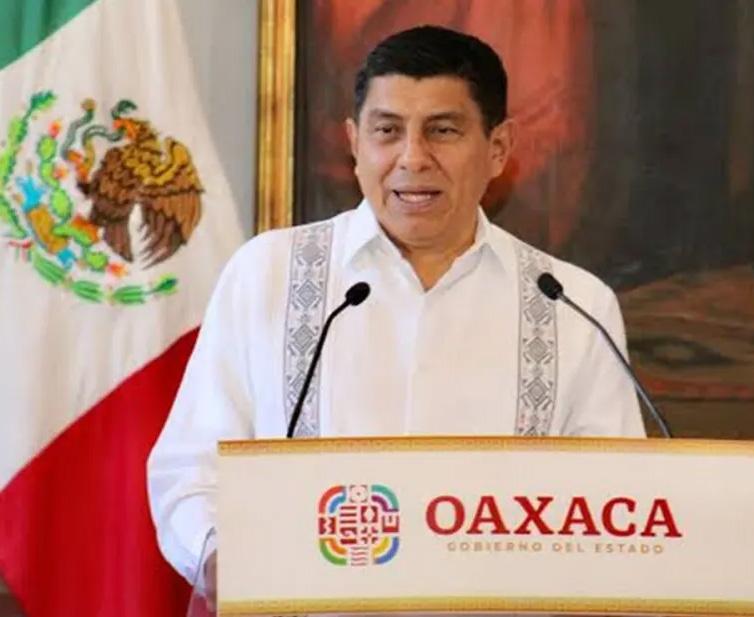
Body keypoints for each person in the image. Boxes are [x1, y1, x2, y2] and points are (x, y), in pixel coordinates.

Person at [147, 25, 645, 594]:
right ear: (354, 142)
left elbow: (618, 505)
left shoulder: (573, 304)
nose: (413, 158)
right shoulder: (267, 274)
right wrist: (217, 556)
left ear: (498, 148)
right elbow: (191, 467)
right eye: (387, 131)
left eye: (443, 131)